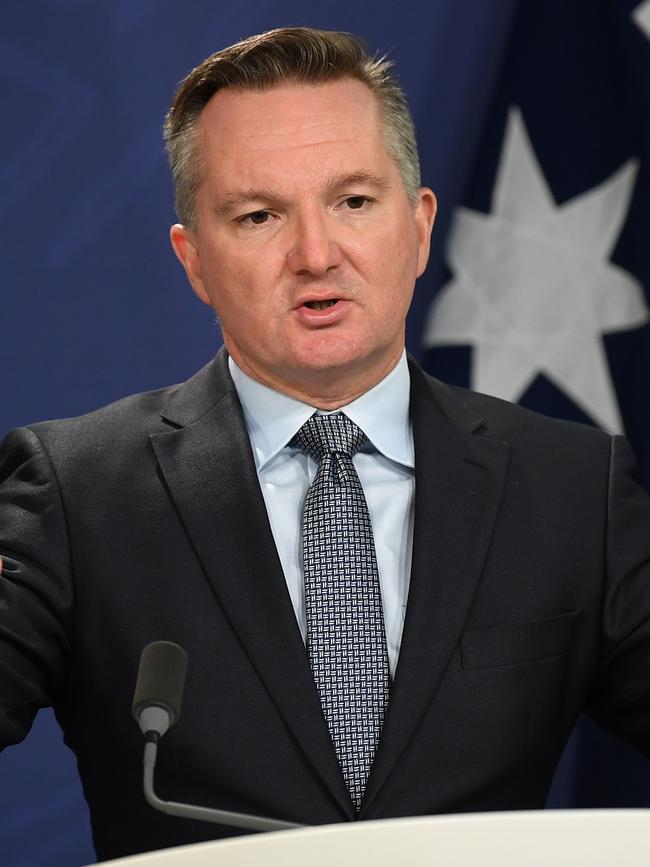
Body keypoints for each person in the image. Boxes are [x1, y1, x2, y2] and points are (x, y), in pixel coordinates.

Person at [1, 26, 650, 862]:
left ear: (417, 228)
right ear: (194, 260)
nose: (316, 255)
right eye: (260, 215)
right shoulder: (75, 492)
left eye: (353, 201)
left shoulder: (569, 487)